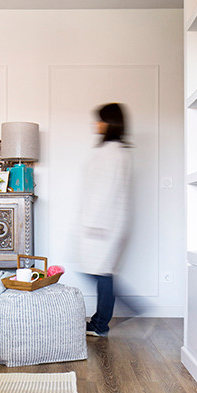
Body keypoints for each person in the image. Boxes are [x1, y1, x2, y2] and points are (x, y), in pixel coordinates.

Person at [79, 103, 133, 337]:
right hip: (110, 221)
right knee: (102, 272)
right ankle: (101, 321)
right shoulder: (120, 152)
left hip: (103, 222)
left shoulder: (111, 153)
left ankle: (104, 322)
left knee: (100, 272)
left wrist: (94, 222)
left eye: (100, 120)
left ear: (110, 123)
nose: (96, 124)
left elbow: (105, 190)